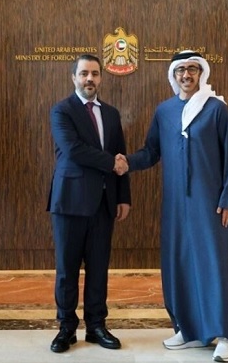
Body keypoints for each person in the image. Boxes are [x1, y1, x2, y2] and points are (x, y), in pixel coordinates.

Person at [118, 50, 228, 362]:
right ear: (173, 75)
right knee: (179, 265)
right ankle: (188, 329)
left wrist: (227, 198)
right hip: (175, 205)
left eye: (192, 69)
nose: (186, 75)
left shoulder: (216, 109)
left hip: (210, 205)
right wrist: (126, 163)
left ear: (201, 74)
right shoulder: (165, 111)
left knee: (213, 266)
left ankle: (226, 336)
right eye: (181, 70)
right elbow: (151, 152)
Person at [47, 54, 131, 353]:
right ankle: (66, 328)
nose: (89, 79)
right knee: (67, 270)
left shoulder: (111, 114)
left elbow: (121, 155)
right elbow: (73, 150)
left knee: (98, 269)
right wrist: (111, 163)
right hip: (69, 202)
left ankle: (96, 326)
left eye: (95, 73)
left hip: (103, 204)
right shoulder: (62, 110)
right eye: (84, 73)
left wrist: (123, 196)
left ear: (101, 78)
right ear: (74, 77)